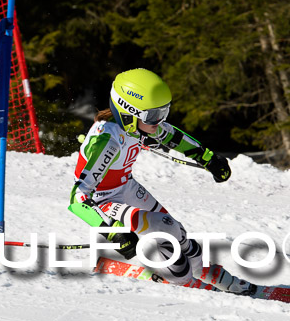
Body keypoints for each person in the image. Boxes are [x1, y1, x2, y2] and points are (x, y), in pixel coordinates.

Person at [69, 68, 255, 295]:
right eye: (153, 115)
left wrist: (209, 160)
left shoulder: (140, 127)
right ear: (128, 113)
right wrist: (113, 232)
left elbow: (174, 137)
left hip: (125, 187)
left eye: (163, 112)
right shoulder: (108, 140)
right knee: (162, 228)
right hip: (102, 200)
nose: (160, 121)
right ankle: (182, 282)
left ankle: (217, 277)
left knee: (176, 230)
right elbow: (78, 197)